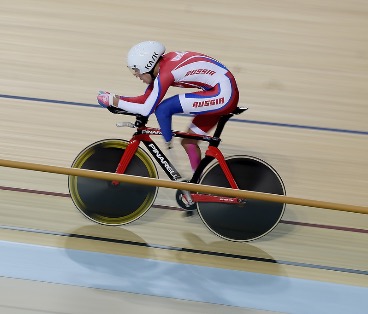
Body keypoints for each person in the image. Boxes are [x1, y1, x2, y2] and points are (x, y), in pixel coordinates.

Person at [97, 41, 239, 173]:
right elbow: (145, 99)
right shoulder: (164, 65)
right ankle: (200, 182)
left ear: (147, 66)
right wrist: (117, 98)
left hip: (223, 95)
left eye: (137, 71)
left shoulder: (166, 74)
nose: (137, 76)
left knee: (164, 108)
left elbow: (147, 109)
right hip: (220, 91)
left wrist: (114, 102)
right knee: (188, 141)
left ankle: (169, 148)